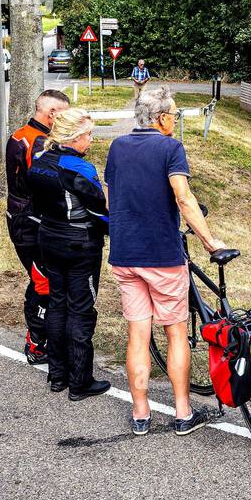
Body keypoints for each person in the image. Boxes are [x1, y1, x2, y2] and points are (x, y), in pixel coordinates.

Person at [106, 85, 227, 436]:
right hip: (161, 255)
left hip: (125, 256)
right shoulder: (171, 148)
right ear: (161, 118)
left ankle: (141, 414)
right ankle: (183, 412)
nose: (175, 120)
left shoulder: (117, 146)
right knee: (176, 333)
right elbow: (184, 198)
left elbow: (112, 201)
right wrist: (209, 241)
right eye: (173, 114)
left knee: (137, 336)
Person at [27, 108, 111, 400]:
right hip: (80, 245)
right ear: (74, 137)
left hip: (48, 238)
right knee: (80, 310)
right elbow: (101, 212)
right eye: (88, 134)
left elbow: (33, 203)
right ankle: (80, 382)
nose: (90, 140)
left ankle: (57, 376)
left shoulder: (38, 161)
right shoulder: (81, 169)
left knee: (57, 304)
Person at [5, 88, 71, 364]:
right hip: (30, 221)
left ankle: (44, 338)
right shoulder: (39, 142)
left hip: (18, 215)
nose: (66, 120)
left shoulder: (18, 133)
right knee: (43, 282)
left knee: (43, 279)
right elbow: (44, 185)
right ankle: (36, 343)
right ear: (52, 112)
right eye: (64, 114)